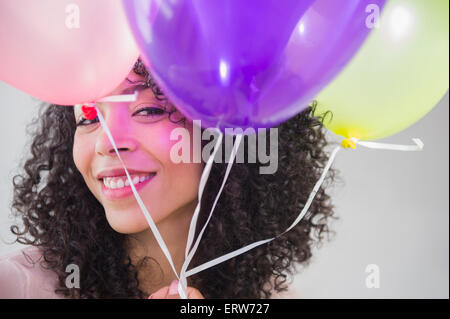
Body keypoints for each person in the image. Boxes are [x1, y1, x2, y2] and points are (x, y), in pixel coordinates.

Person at [0, 58, 338, 299]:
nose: (108, 142)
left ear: (227, 132)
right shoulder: (16, 287)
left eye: (149, 110)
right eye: (88, 117)